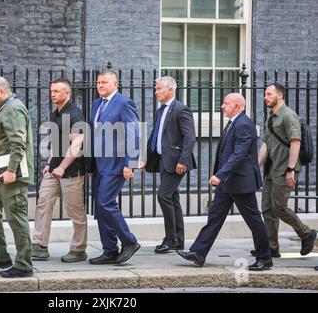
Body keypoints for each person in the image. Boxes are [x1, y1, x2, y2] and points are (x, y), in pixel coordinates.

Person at [176, 93, 273, 271]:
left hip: (240, 182)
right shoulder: (234, 123)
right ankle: (198, 253)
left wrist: (220, 174)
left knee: (253, 220)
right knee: (214, 218)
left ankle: (265, 258)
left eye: (226, 103)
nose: (222, 106)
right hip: (228, 183)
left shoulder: (244, 124)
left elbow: (239, 155)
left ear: (237, 106)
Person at [0, 76, 34, 278]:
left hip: (10, 175)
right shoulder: (4, 108)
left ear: (1, 92)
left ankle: (24, 264)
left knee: (16, 217)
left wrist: (11, 170)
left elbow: (18, 142)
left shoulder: (13, 109)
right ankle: (0, 257)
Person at [87, 69, 140, 265]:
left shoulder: (124, 103)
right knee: (100, 208)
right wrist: (91, 164)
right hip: (100, 165)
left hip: (117, 163)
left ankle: (129, 241)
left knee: (105, 202)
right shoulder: (96, 104)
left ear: (115, 84)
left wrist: (130, 163)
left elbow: (133, 133)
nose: (100, 86)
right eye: (98, 83)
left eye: (104, 83)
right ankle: (110, 250)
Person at [257, 83, 316, 257]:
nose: (265, 97)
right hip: (271, 170)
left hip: (285, 169)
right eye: (265, 94)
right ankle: (272, 247)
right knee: (267, 208)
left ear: (280, 96)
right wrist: (256, 166)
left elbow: (295, 142)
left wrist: (291, 169)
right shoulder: (271, 118)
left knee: (279, 207)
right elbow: (266, 145)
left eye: (269, 94)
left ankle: (306, 233)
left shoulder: (289, 116)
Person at [32, 78, 88, 263]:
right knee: (43, 203)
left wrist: (63, 167)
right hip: (54, 170)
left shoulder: (75, 114)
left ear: (67, 94)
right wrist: (49, 164)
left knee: (75, 211)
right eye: (52, 91)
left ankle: (78, 249)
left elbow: (78, 144)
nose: (53, 94)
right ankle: (39, 245)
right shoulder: (55, 113)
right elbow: (56, 143)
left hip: (71, 172)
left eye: (57, 91)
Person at [142, 76, 196, 253]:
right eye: (156, 89)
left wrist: (183, 160)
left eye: (159, 89)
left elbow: (189, 137)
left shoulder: (181, 109)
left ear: (170, 90)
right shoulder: (160, 111)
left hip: (176, 163)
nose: (156, 92)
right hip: (163, 161)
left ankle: (170, 239)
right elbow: (156, 136)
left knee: (163, 196)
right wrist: (146, 159)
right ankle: (178, 241)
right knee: (173, 198)